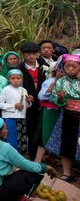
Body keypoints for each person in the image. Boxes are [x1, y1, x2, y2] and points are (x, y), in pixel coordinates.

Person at [0, 115, 57, 201]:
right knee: (29, 173)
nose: (7, 131)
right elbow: (27, 165)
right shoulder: (5, 147)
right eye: (5, 128)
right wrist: (45, 167)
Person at [46, 54, 80, 183]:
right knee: (66, 143)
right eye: (67, 66)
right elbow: (54, 99)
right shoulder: (61, 81)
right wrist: (60, 99)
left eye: (74, 66)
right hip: (67, 115)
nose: (70, 69)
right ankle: (67, 173)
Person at [17, 42, 48, 159]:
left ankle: (36, 155)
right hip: (26, 103)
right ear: (24, 54)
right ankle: (25, 154)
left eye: (34, 53)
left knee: (39, 130)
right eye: (28, 54)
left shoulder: (45, 67)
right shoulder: (19, 69)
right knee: (27, 128)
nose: (31, 56)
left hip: (43, 103)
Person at [34, 60, 64, 163]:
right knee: (45, 135)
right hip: (49, 111)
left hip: (63, 112)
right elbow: (41, 96)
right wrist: (51, 88)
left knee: (59, 135)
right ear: (54, 72)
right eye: (60, 71)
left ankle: (52, 158)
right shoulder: (48, 82)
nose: (62, 73)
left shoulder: (69, 83)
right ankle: (37, 161)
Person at [0, 69, 33, 154]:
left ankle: (21, 155)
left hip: (21, 117)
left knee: (21, 137)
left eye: (18, 78)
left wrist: (28, 101)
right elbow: (0, 104)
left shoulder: (23, 90)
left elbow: (26, 106)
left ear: (22, 79)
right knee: (11, 137)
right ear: (8, 79)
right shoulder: (6, 89)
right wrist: (14, 106)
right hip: (10, 117)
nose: (16, 80)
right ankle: (11, 154)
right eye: (13, 78)